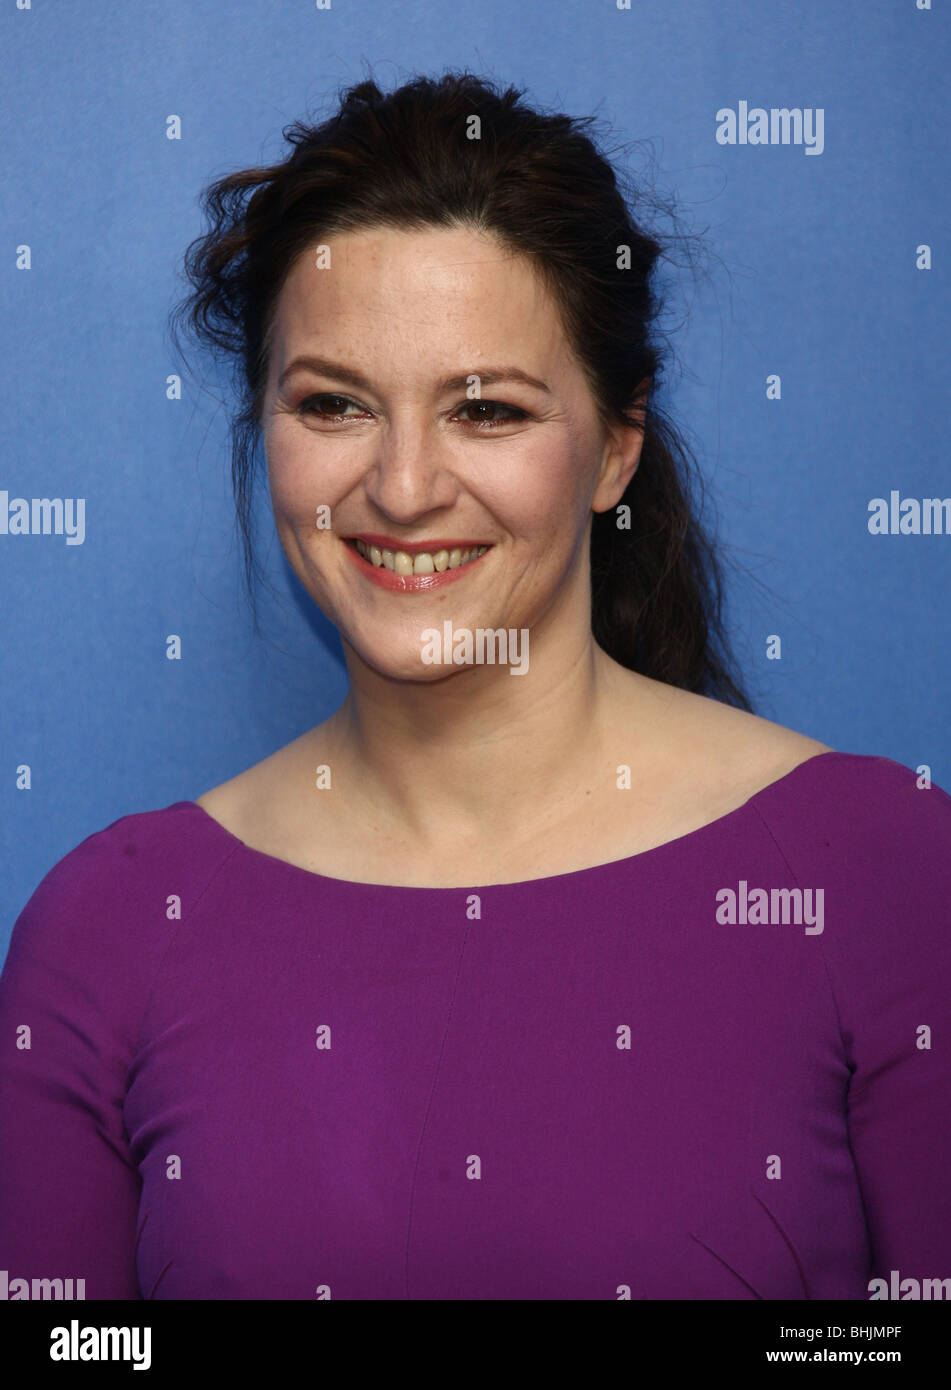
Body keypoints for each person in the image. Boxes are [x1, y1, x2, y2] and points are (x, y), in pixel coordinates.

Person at [1, 72, 948, 1301]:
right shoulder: (104, 933)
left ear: (615, 446)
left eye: (486, 410)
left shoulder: (884, 872)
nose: (402, 487)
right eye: (333, 403)